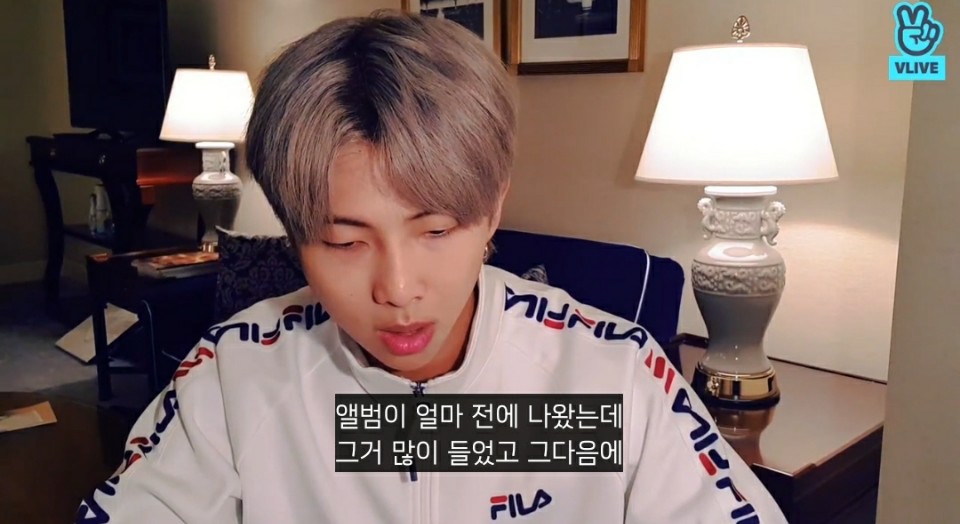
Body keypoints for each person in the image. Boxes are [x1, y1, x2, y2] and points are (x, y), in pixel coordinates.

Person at [75, 9, 787, 524]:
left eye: (437, 230)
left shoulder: (611, 376)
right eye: (343, 242)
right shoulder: (237, 377)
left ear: (494, 206)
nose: (397, 289)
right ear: (294, 236)